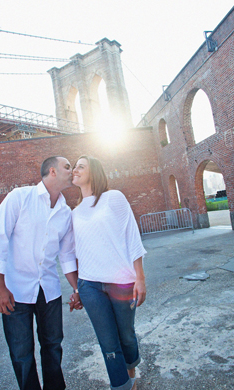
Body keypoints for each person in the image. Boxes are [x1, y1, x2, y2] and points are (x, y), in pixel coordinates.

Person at [0, 156, 81, 390]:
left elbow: (67, 255)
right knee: (21, 352)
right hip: (15, 290)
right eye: (67, 167)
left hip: (48, 290)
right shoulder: (19, 197)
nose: (72, 171)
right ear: (52, 171)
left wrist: (78, 288)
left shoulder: (65, 212)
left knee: (53, 346)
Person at [71, 155, 147, 390]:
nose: (75, 170)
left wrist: (140, 277)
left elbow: (131, 235)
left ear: (93, 172)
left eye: (80, 166)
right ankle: (124, 386)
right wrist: (76, 288)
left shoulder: (113, 198)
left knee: (125, 335)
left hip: (121, 281)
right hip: (90, 285)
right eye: (74, 167)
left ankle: (131, 371)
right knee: (108, 344)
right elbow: (73, 253)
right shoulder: (74, 211)